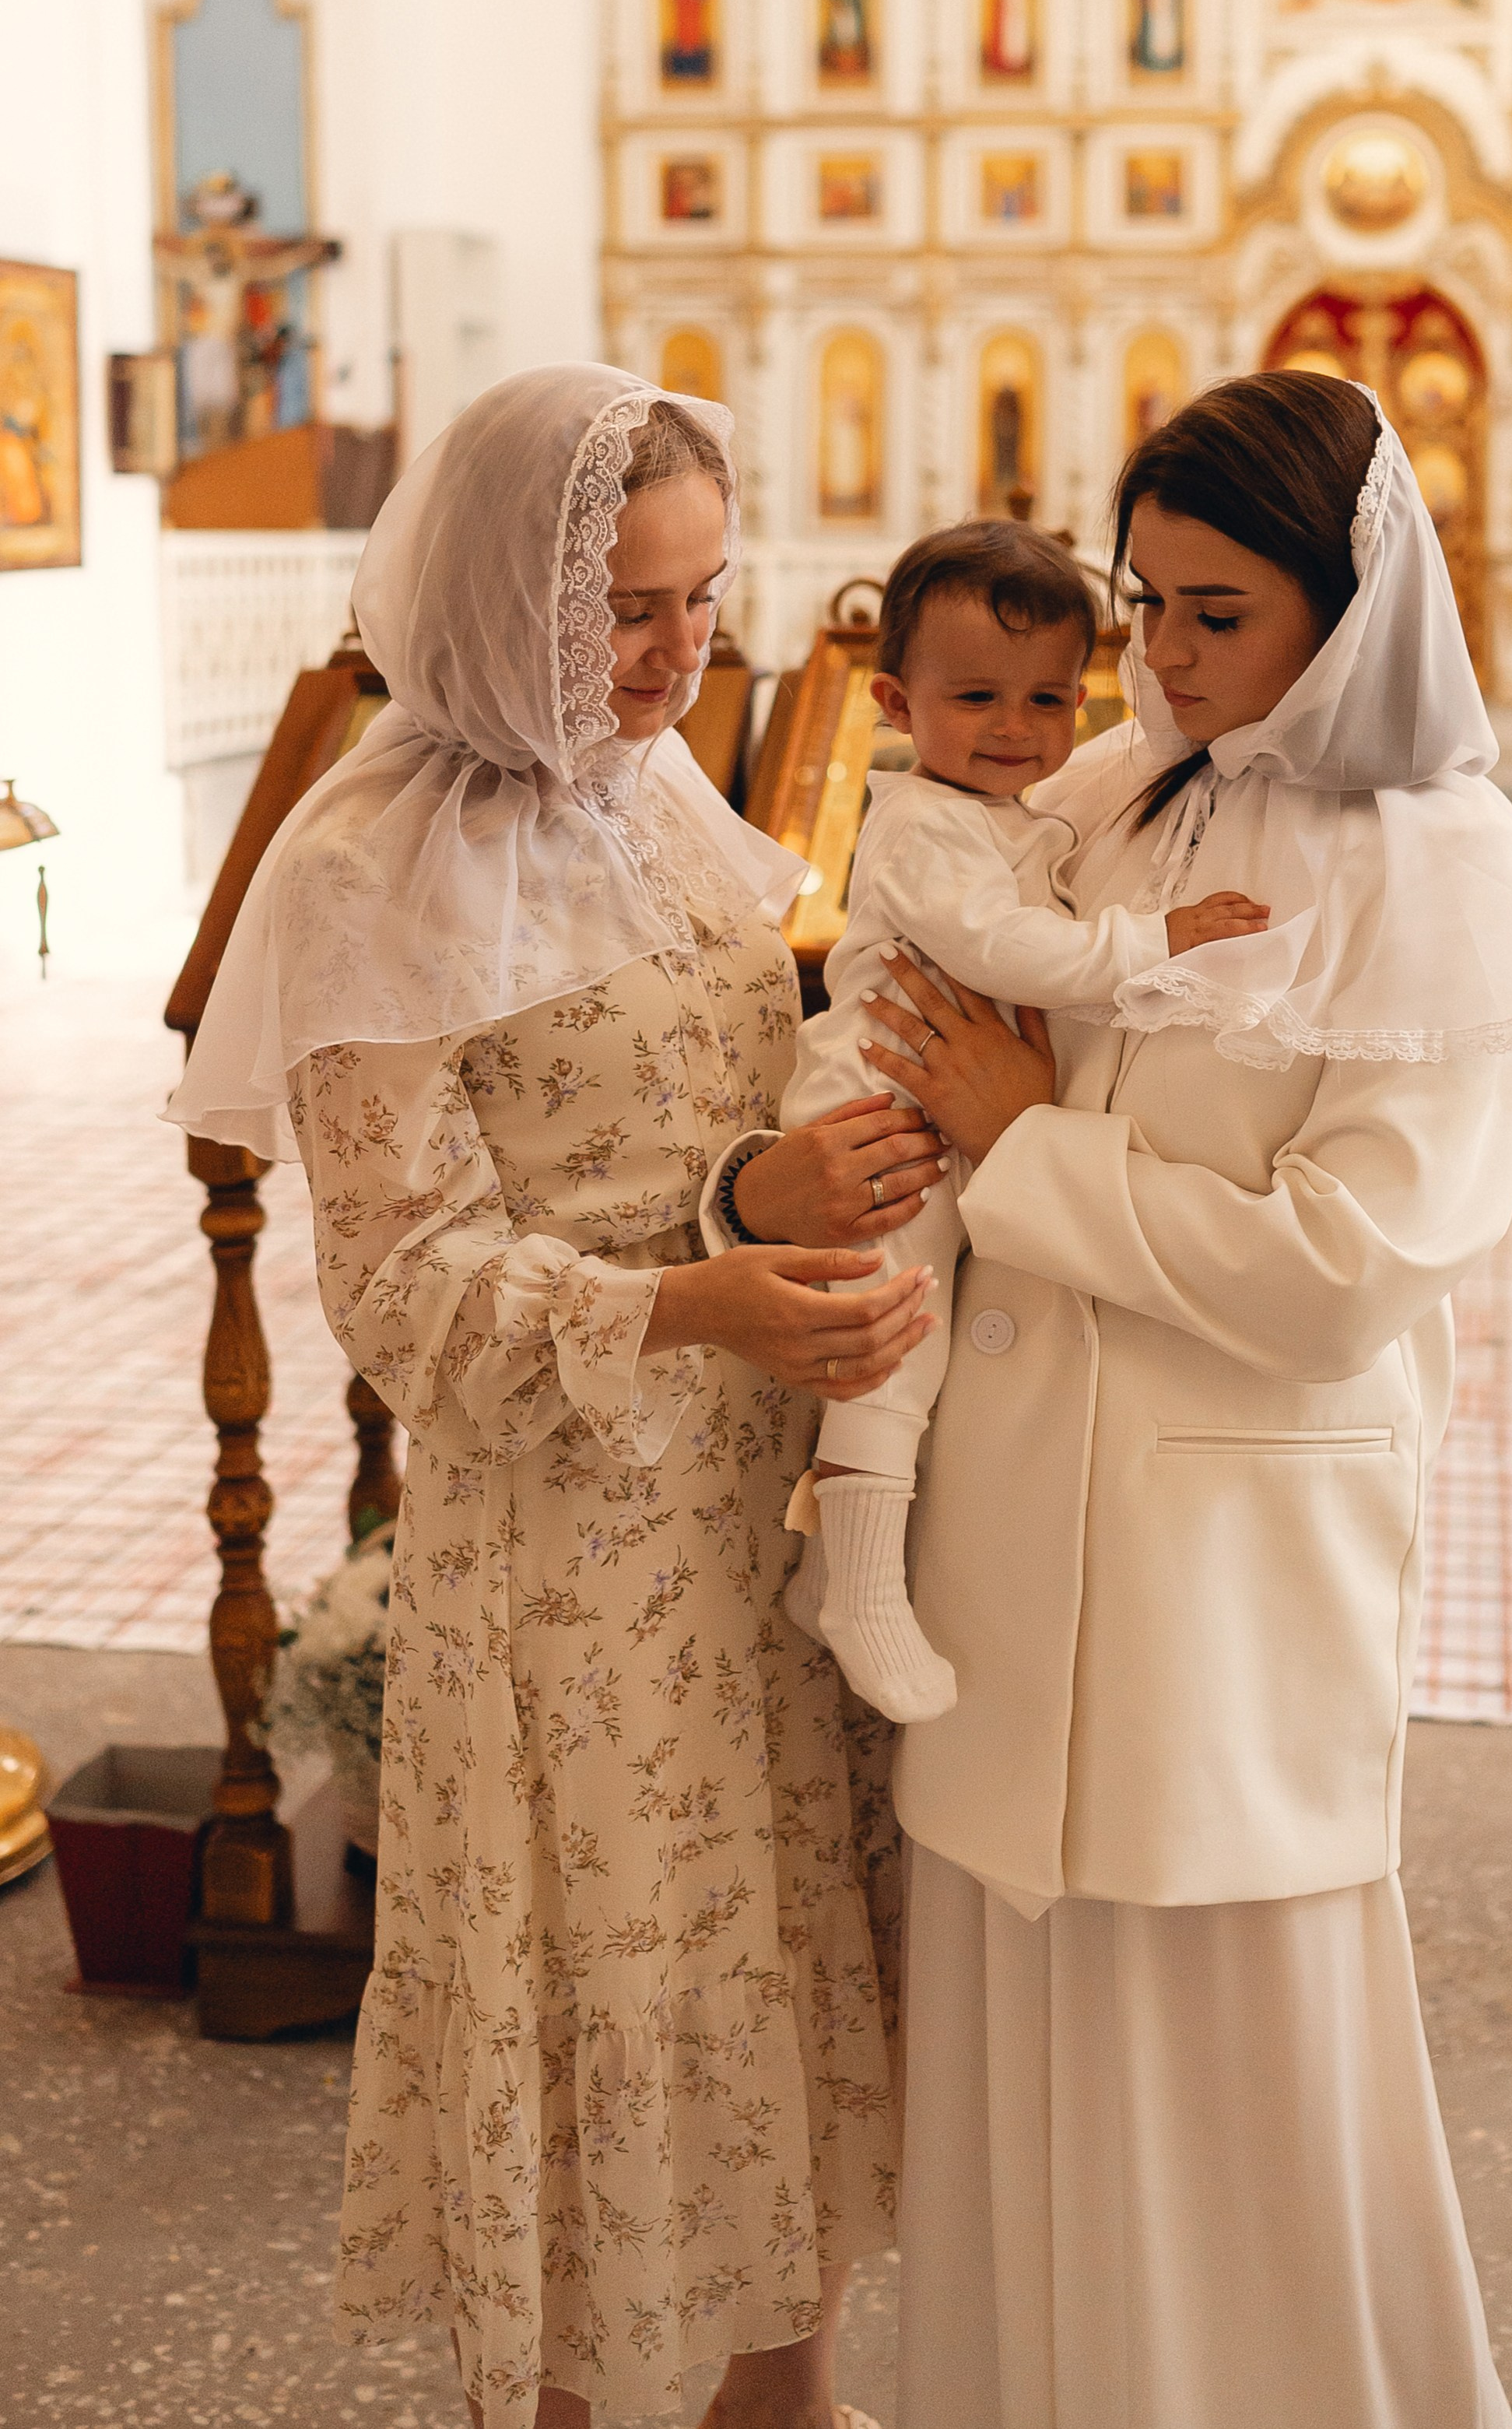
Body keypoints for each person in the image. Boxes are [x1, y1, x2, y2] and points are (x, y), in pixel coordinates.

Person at [167, 364, 947, 2429]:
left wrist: (792, 1187)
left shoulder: (666, 800)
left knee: (772, 1955)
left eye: (704, 603)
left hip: (751, 1499)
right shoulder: (361, 868)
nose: (678, 658)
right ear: (506, 590)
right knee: (598, 1989)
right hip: (566, 1556)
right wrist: (704, 1300)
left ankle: (778, 2397)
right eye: (628, 608)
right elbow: (402, 1298)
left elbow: (714, 1129)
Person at [855, 371, 1512, 2429]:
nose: (1160, 658)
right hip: (1008, 1551)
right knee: (1018, 2068)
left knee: (1229, 2102)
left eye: (1214, 612)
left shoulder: (1437, 865)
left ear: (1344, 610)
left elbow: (1346, 1272)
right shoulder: (1102, 789)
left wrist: (1020, 1148)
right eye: (1140, 601)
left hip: (1214, 1576)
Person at [743, 518, 1265, 1725]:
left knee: (919, 1337)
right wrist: (1154, 944)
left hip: (936, 1102)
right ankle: (860, 1589)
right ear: (892, 697)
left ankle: (832, 1566)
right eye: (974, 695)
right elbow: (998, 949)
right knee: (897, 1331)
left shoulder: (1016, 813)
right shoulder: (925, 820)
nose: (1014, 728)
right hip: (880, 1111)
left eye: (1046, 699)